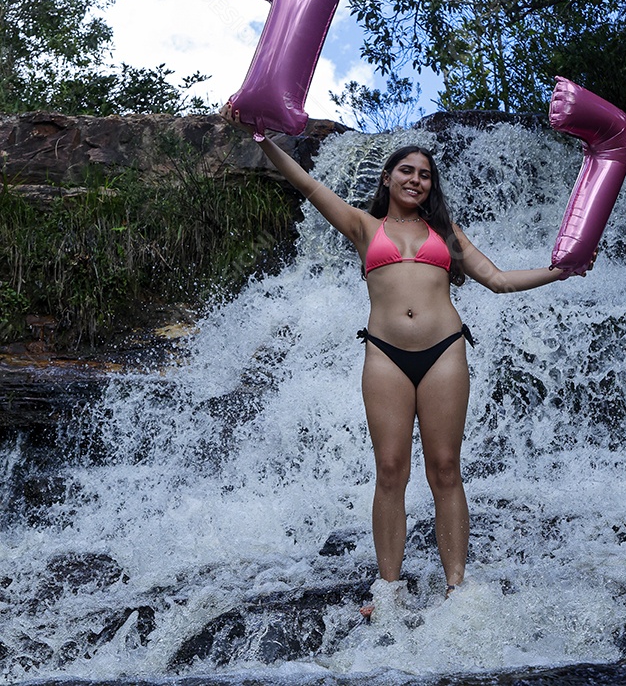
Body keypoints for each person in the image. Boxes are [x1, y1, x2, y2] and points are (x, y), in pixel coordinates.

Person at [220, 108, 590, 608]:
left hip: (444, 352)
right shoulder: (362, 227)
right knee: (390, 469)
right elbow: (308, 185)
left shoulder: (447, 235)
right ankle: (388, 589)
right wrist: (264, 139)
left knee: (445, 468)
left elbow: (499, 280)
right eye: (407, 170)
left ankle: (456, 586)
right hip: (385, 355)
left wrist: (559, 272)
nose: (416, 179)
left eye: (425, 174)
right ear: (388, 177)